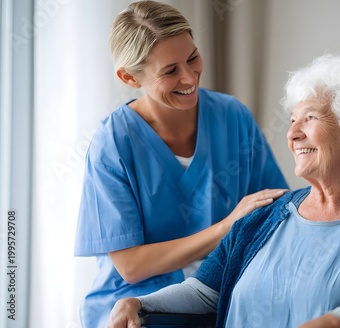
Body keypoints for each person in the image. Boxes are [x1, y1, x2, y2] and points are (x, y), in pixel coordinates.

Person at [106, 54, 340, 328]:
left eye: (309, 118)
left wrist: (339, 322)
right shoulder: (265, 212)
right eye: (293, 120)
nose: (292, 133)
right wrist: (137, 302)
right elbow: (205, 292)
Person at [73, 1, 289, 327]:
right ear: (130, 77)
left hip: (218, 294)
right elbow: (131, 266)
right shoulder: (113, 144)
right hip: (134, 305)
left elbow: (274, 209)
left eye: (192, 58)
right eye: (170, 70)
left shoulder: (233, 117)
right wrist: (224, 228)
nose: (190, 77)